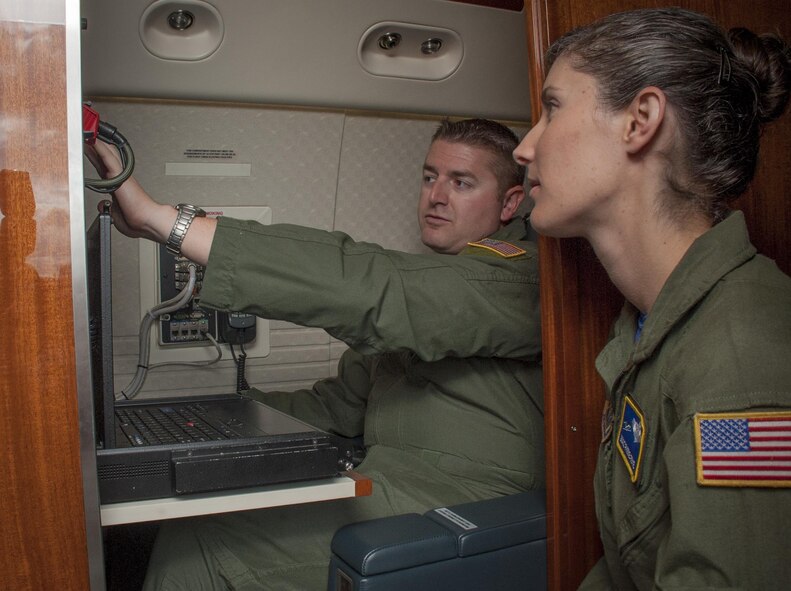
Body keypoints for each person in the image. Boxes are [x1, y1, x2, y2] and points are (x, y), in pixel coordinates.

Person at [90, 117, 544, 590]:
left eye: (462, 182)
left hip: (465, 508)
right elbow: (339, 408)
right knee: (168, 520)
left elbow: (377, 285)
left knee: (200, 541)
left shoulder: (521, 279)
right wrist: (206, 420)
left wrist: (168, 223)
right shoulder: (429, 288)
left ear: (510, 202)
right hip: (383, 485)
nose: (436, 196)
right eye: (430, 177)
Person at [513, 7, 791, 590]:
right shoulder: (649, 323)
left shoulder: (740, 353)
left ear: (640, 120)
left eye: (554, 107)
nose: (525, 146)